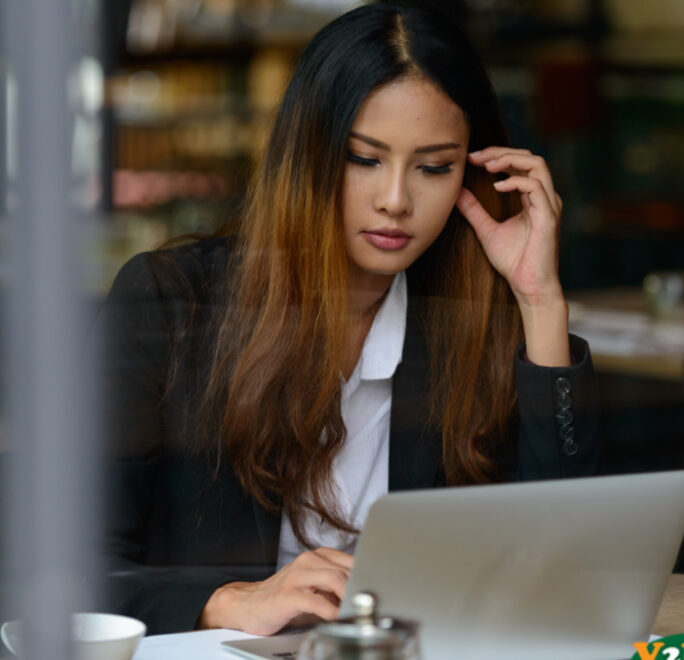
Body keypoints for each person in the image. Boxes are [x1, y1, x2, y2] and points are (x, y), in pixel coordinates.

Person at [97, 1, 599, 637]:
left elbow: (563, 567)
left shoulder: (461, 326)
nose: (395, 200)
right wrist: (230, 601)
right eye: (364, 159)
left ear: (472, 172)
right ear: (308, 154)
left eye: (434, 167)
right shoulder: (172, 303)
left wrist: (539, 301)